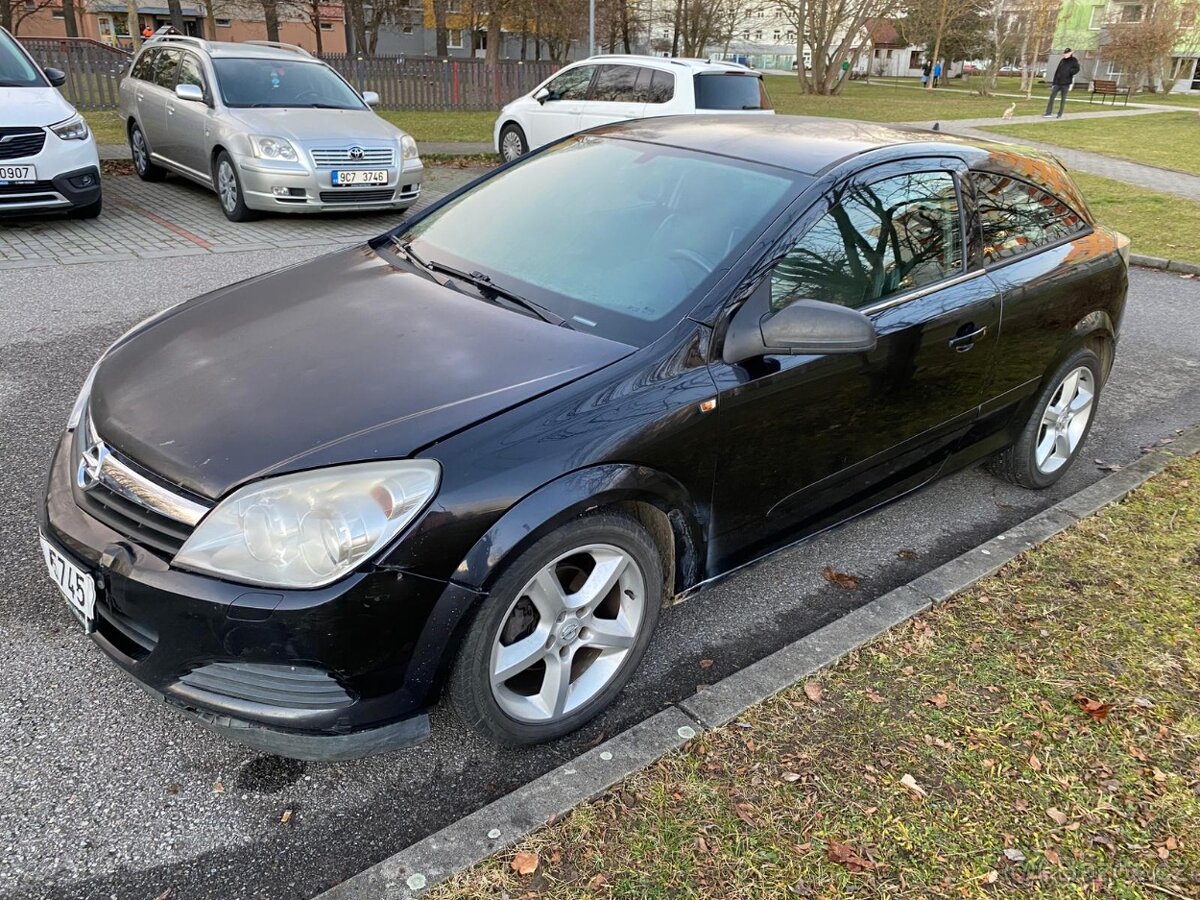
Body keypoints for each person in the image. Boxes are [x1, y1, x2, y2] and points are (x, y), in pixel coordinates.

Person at [1045, 48, 1080, 118]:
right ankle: (1048, 113)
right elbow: (1057, 71)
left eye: (1067, 53)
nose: (1065, 54)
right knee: (1052, 97)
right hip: (1058, 82)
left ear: (1070, 53)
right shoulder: (1062, 61)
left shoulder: (1073, 60)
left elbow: (1077, 69)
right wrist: (1054, 83)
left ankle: (1059, 114)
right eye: (1064, 53)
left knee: (1063, 99)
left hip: (1066, 83)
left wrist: (1070, 72)